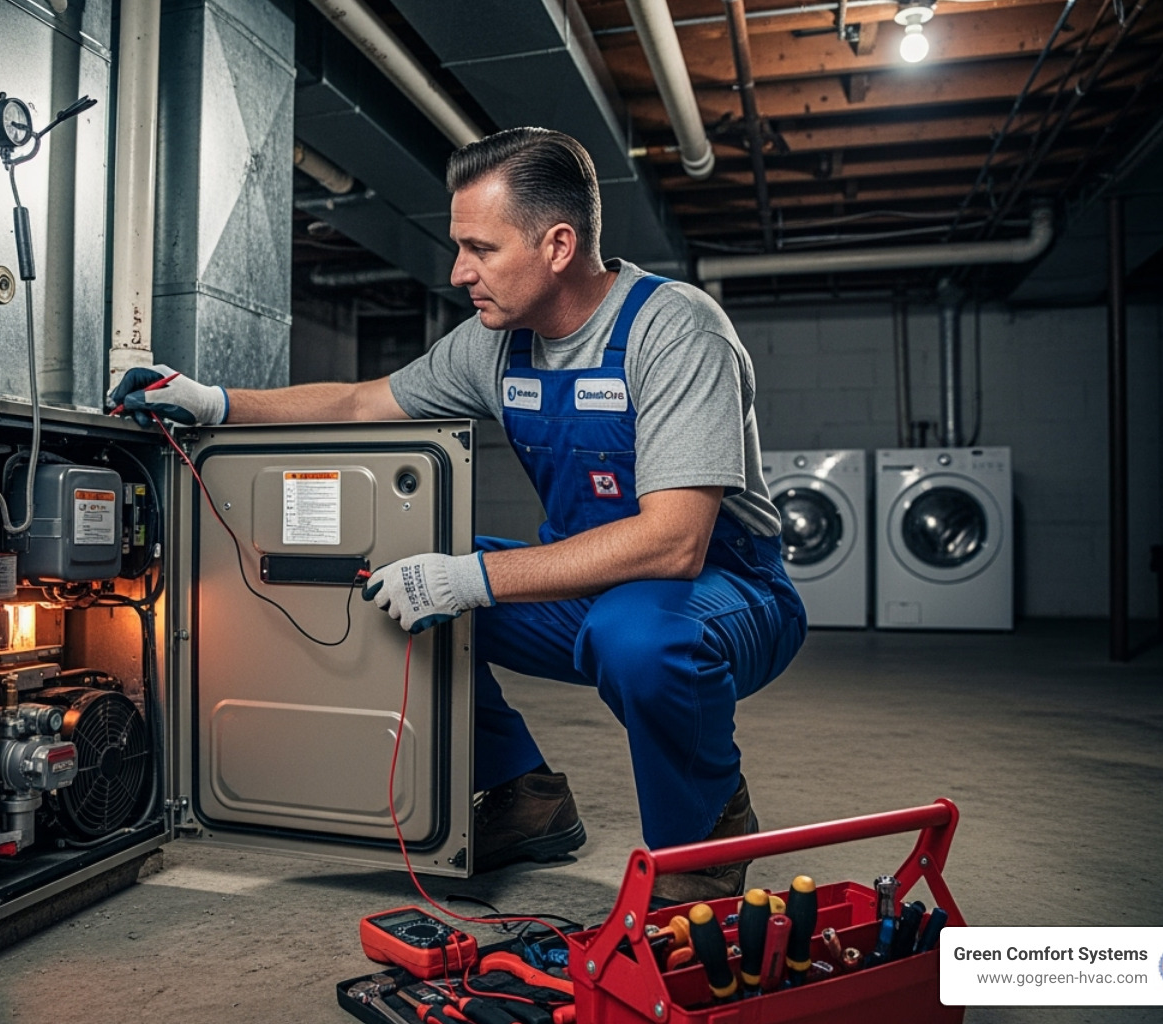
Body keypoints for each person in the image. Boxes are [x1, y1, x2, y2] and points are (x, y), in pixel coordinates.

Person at [109, 127, 806, 904]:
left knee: (637, 636)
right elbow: (358, 401)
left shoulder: (673, 329)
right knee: (386, 583)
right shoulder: (492, 346)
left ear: (558, 246)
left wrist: (470, 579)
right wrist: (215, 403)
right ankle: (524, 797)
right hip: (588, 582)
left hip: (728, 592)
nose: (458, 271)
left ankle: (705, 838)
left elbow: (676, 542)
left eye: (480, 248)